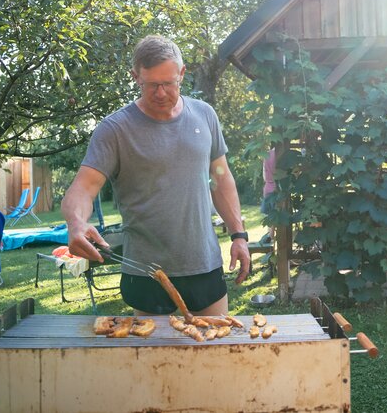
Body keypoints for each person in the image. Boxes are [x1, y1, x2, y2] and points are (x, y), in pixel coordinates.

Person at [62, 35, 250, 316]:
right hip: (145, 271)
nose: (160, 93)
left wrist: (239, 235)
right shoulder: (115, 129)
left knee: (214, 354)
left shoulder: (204, 115)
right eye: (151, 84)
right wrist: (76, 223)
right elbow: (84, 188)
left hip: (204, 264)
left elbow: (221, 178)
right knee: (154, 359)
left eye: (169, 83)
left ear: (182, 74)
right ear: (135, 76)